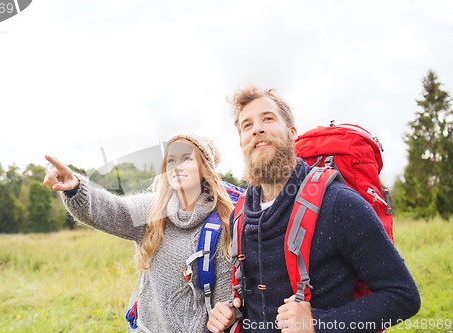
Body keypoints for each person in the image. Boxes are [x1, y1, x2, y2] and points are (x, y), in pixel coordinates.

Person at [207, 86, 421, 333]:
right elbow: (255, 298)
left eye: (268, 118)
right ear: (242, 142)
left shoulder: (338, 204)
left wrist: (318, 323)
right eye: (247, 125)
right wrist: (228, 312)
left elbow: (403, 296)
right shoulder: (241, 214)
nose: (257, 129)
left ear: (291, 133)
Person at [43, 133, 239, 333]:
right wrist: (75, 187)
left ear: (205, 168)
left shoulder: (221, 224)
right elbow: (110, 210)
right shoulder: (151, 212)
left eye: (186, 158)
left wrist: (225, 314)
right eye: (171, 160)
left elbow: (224, 301)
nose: (176, 166)